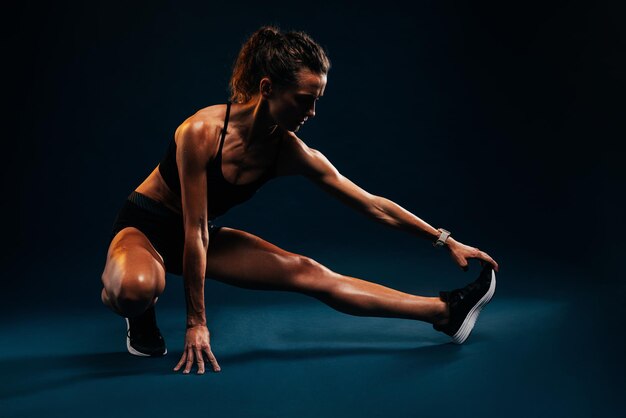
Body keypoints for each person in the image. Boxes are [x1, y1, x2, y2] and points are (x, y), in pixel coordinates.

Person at [100, 25, 500, 375]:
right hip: (146, 226)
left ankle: (446, 312)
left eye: (317, 100)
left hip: (198, 233)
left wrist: (444, 239)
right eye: (304, 99)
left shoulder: (290, 151)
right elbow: (194, 230)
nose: (311, 112)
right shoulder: (200, 133)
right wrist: (196, 323)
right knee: (135, 289)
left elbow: (372, 204)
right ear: (267, 88)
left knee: (308, 271)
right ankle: (140, 316)